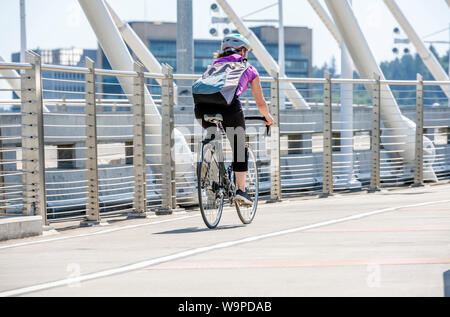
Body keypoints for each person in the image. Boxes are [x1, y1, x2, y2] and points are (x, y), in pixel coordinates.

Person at [194, 33, 274, 206]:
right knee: (238, 146)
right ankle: (241, 191)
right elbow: (260, 103)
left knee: (213, 134)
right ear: (243, 51)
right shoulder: (248, 68)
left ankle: (206, 159)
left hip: (201, 107)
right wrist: (267, 117)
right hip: (229, 108)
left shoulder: (213, 66)